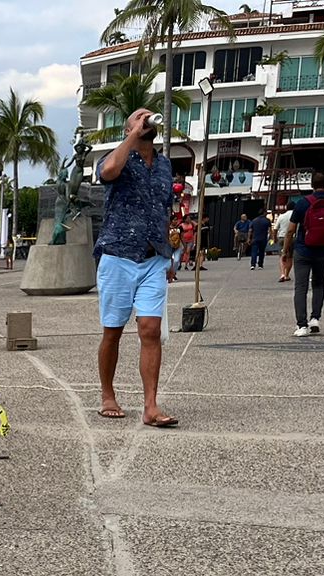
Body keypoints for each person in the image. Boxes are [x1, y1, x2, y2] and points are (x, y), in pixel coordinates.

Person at [93, 107, 178, 428]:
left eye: (148, 116)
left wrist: (168, 254)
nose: (146, 119)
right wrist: (132, 136)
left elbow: (163, 209)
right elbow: (108, 172)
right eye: (138, 116)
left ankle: (151, 406)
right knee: (112, 331)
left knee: (151, 331)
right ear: (127, 127)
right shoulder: (116, 156)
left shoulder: (165, 164)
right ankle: (107, 395)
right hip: (117, 255)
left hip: (153, 257)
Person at [289, 169, 324, 335]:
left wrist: (286, 250)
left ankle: (301, 325)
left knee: (301, 287)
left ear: (311, 184)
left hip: (303, 249)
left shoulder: (302, 203)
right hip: (323, 249)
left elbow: (291, 229)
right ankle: (315, 318)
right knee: (319, 284)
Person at [275, 198, 297, 281]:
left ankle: (282, 274)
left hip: (282, 237)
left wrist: (274, 238)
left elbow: (275, 228)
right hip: (293, 238)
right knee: (290, 257)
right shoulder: (296, 216)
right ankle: (287, 274)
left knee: (282, 256)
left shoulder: (281, 216)